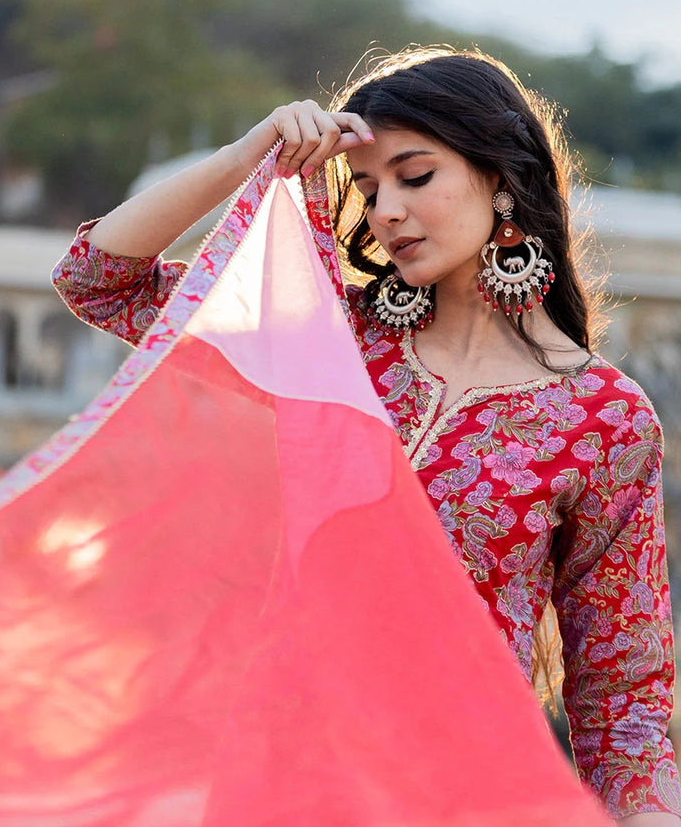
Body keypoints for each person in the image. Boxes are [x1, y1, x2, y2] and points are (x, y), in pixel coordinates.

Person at [52, 46, 681, 824]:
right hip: (269, 778)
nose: (385, 212)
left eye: (415, 178)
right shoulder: (322, 339)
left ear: (501, 176)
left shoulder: (602, 418)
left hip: (462, 794)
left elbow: (625, 703)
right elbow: (97, 282)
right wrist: (247, 157)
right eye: (369, 188)